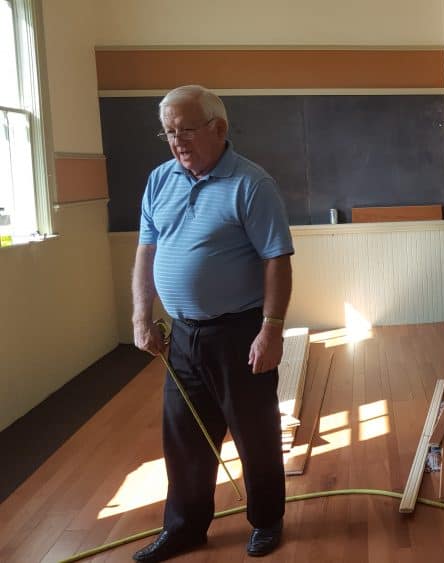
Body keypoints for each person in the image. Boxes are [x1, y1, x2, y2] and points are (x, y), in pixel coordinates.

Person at [131, 85, 294, 561]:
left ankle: (266, 520)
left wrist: (272, 328)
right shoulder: (159, 180)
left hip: (239, 332)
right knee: (183, 437)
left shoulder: (251, 184)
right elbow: (146, 251)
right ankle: (184, 527)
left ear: (218, 129)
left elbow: (276, 260)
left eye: (184, 130)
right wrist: (143, 317)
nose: (176, 141)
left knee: (255, 432)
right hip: (182, 335)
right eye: (167, 133)